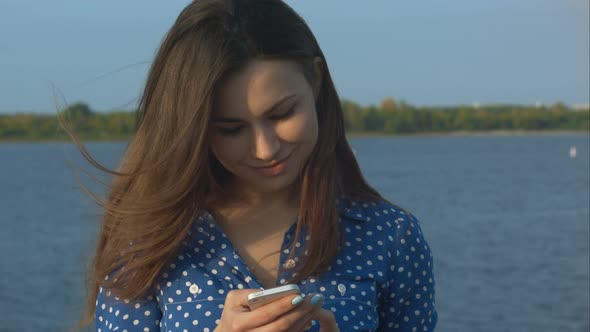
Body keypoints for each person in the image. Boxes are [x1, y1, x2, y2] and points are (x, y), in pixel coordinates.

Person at [75, 0, 437, 330]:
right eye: (231, 129)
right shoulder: (149, 243)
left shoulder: (390, 236)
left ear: (316, 79)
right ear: (193, 129)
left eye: (281, 114)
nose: (265, 150)